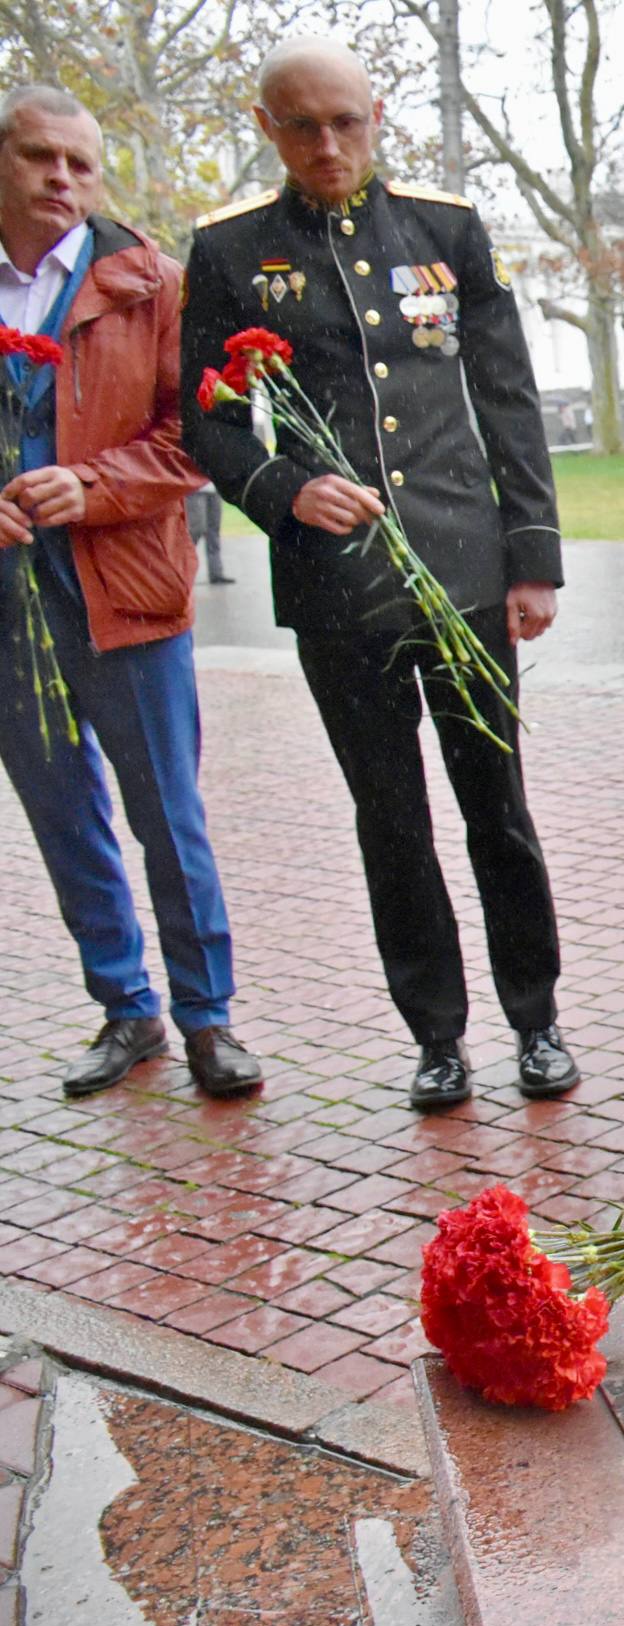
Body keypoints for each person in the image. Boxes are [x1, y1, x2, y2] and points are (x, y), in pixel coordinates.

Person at [182, 39, 575, 1112]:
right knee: (390, 816)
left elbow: (508, 400)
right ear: (268, 127)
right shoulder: (228, 251)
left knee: (496, 804)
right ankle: (437, 1034)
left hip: (462, 569)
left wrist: (530, 561)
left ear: (377, 114)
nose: (327, 146)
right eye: (302, 126)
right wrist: (278, 487)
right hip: (335, 588)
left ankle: (535, 1017)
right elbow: (205, 415)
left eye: (346, 122)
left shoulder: (447, 231)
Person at [0, 85, 262, 1101]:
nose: (61, 178)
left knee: (168, 810)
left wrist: (91, 484)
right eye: (38, 158)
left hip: (128, 587)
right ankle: (126, 1008)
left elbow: (195, 440)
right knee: (61, 810)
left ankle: (208, 1017)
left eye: (80, 162)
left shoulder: (151, 282)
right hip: (11, 601)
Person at [185, 483, 230, 583]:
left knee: (214, 532)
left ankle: (216, 573)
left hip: (214, 489)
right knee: (196, 529)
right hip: (195, 489)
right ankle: (183, 569)